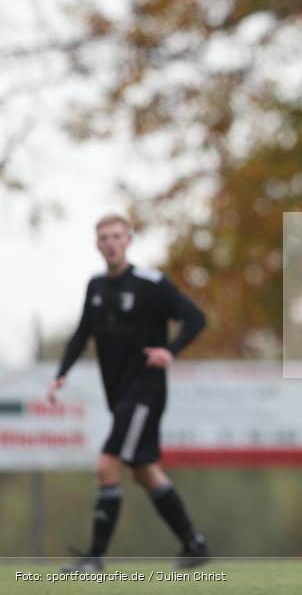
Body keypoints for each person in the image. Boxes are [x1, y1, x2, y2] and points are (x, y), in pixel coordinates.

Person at [47, 213, 210, 572]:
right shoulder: (96, 287)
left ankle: (95, 558)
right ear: (97, 244)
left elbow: (196, 318)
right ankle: (194, 544)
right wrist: (61, 374)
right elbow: (81, 334)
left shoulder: (150, 284)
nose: (111, 243)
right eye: (104, 237)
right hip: (119, 394)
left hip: (145, 392)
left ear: (129, 240)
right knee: (144, 471)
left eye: (117, 236)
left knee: (108, 465)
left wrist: (172, 351)